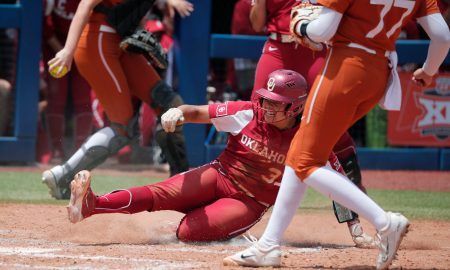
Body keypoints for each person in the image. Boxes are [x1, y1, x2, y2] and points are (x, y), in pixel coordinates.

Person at [224, 1, 450, 269]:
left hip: (345, 66)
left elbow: (322, 31)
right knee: (303, 151)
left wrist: (301, 26)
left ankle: (384, 222)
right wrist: (429, 70)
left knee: (305, 160)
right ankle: (267, 246)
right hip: (379, 72)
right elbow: (442, 37)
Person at [67, 69, 351, 242]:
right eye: (266, 99)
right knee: (159, 192)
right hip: (219, 175)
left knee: (187, 233)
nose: (267, 106)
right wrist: (178, 113)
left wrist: (356, 227)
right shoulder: (248, 112)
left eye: (277, 103)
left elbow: (340, 185)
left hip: (248, 202)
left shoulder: (310, 140)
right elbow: (196, 111)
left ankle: (201, 218)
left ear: (296, 108)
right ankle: (92, 205)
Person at [249, 0, 373, 247]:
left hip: (314, 52)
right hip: (277, 50)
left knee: (334, 134)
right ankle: (234, 208)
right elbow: (255, 23)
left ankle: (355, 225)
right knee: (258, 122)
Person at [42, 0, 192, 200]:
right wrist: (68, 51)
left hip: (120, 41)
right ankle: (62, 175)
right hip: (96, 40)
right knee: (123, 126)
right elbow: (84, 6)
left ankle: (179, 183)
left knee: (171, 105)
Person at [42, 0, 94, 163]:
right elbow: (45, 25)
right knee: (57, 97)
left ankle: (81, 151)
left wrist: (76, 53)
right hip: (55, 47)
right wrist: (65, 53)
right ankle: (56, 149)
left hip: (85, 46)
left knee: (84, 97)